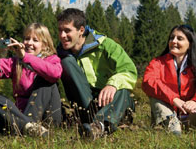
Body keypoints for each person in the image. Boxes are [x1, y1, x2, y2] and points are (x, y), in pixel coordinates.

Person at [56, 8, 137, 140]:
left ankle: (99, 126)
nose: (62, 35)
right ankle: (92, 124)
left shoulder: (106, 45)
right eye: (60, 30)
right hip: (84, 106)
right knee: (67, 62)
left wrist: (112, 84)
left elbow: (129, 71)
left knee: (123, 91)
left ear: (81, 30)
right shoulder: (60, 54)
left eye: (67, 30)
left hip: (111, 102)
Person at [0, 23, 62, 137]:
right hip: (23, 117)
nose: (29, 43)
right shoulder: (15, 62)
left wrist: (25, 58)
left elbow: (55, 74)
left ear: (45, 45)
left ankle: (27, 127)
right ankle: (29, 128)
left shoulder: (52, 59)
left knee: (45, 80)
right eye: (27, 39)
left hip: (47, 117)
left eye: (35, 40)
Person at [142, 24, 196, 135]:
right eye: (172, 38)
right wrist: (173, 99)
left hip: (194, 117)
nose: (174, 41)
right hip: (169, 115)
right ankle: (172, 127)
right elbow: (148, 81)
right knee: (155, 95)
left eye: (180, 38)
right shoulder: (157, 63)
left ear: (190, 44)